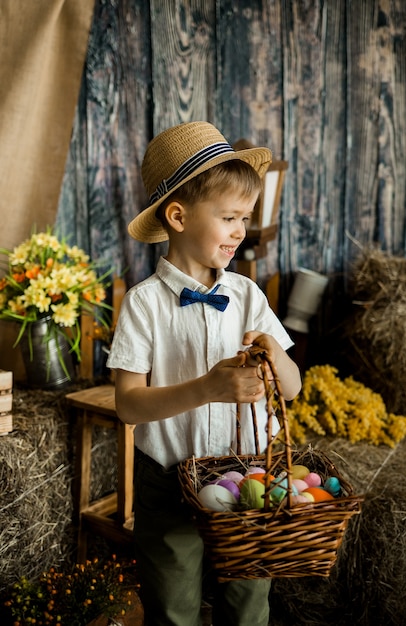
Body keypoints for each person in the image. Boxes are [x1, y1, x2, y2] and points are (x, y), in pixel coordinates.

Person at [107, 121, 302, 626]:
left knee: (249, 605)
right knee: (173, 609)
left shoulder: (247, 296)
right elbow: (129, 403)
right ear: (178, 216)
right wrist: (207, 388)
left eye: (245, 217)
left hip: (250, 477)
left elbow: (294, 386)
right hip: (170, 480)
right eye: (229, 217)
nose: (241, 230)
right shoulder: (144, 304)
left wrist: (274, 357)